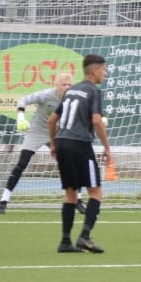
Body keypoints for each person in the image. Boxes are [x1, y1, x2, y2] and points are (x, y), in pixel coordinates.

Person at [47, 54, 113, 253]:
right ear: (95, 71)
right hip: (80, 144)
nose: (105, 73)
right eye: (104, 70)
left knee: (71, 192)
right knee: (95, 192)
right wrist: (107, 147)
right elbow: (96, 120)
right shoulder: (94, 91)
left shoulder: (71, 90)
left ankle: (65, 241)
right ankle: (85, 237)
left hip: (62, 141)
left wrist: (53, 144)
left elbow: (52, 120)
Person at [0, 71, 83, 215]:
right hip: (37, 131)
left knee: (72, 164)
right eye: (63, 84)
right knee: (22, 163)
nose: (67, 87)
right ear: (56, 85)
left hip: (57, 133)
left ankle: (78, 200)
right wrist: (21, 117)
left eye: (69, 84)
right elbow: (23, 100)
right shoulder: (45, 95)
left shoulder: (73, 98)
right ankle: (3, 201)